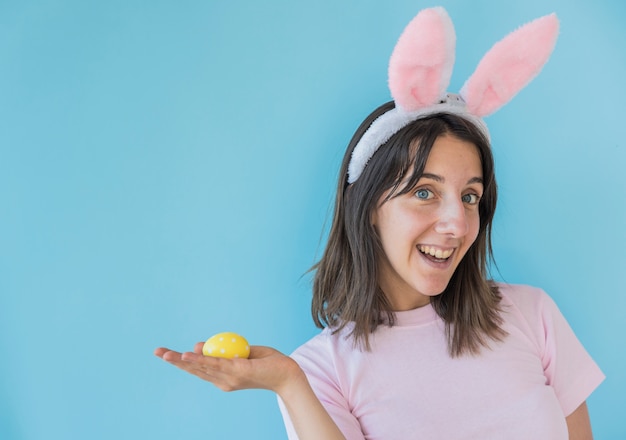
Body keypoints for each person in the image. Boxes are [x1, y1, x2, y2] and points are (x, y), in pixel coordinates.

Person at [154, 7, 604, 439]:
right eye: (424, 192)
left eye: (470, 196)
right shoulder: (320, 370)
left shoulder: (531, 315)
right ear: (369, 205)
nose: (457, 223)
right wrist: (289, 383)